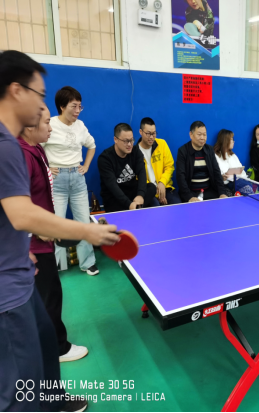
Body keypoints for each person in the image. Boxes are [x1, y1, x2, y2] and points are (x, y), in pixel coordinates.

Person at [0, 50, 118, 413]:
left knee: (45, 341)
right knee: (18, 387)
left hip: (20, 273)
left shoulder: (13, 144)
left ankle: (53, 401)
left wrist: (21, 248)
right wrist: (88, 232)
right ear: (16, 91)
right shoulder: (7, 147)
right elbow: (22, 214)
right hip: (7, 292)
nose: (43, 107)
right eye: (39, 95)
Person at [19, 105, 88, 364]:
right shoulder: (22, 156)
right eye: (47, 123)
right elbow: (14, 206)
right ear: (30, 125)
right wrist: (33, 235)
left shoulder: (37, 149)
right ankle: (58, 348)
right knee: (49, 297)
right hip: (33, 245)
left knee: (49, 295)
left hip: (42, 240)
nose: (51, 128)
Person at [42, 86, 99, 276]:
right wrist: (47, 168)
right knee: (56, 224)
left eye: (80, 106)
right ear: (62, 106)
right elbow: (36, 147)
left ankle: (88, 263)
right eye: (74, 106)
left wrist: (86, 166)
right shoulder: (50, 124)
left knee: (83, 222)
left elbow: (91, 146)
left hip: (77, 178)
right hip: (56, 180)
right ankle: (57, 265)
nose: (77, 111)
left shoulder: (80, 126)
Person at [98, 123, 157, 213]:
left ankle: (135, 208)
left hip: (132, 193)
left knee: (152, 187)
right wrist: (129, 204)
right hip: (115, 197)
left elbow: (142, 173)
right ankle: (135, 209)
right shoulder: (105, 159)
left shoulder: (136, 151)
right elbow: (113, 186)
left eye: (131, 140)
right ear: (115, 139)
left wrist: (140, 195)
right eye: (126, 141)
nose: (129, 144)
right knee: (113, 200)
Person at [176, 121, 228, 202]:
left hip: (209, 191)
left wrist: (222, 193)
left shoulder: (209, 150)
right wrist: (189, 197)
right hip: (190, 193)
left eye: (204, 134)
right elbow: (180, 176)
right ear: (191, 134)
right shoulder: (183, 151)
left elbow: (216, 172)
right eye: (199, 134)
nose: (202, 138)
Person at [137, 117, 181, 206]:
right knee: (155, 207)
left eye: (154, 133)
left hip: (165, 186)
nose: (151, 137)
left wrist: (162, 182)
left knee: (177, 205)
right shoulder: (135, 152)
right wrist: (157, 192)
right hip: (148, 191)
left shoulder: (162, 144)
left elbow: (170, 166)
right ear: (141, 132)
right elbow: (137, 178)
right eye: (148, 134)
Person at [214, 129, 248, 194]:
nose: (233, 141)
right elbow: (217, 174)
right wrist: (222, 177)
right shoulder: (215, 156)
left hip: (239, 181)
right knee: (246, 189)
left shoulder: (233, 155)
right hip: (227, 185)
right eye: (231, 139)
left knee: (248, 187)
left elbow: (242, 171)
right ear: (225, 140)